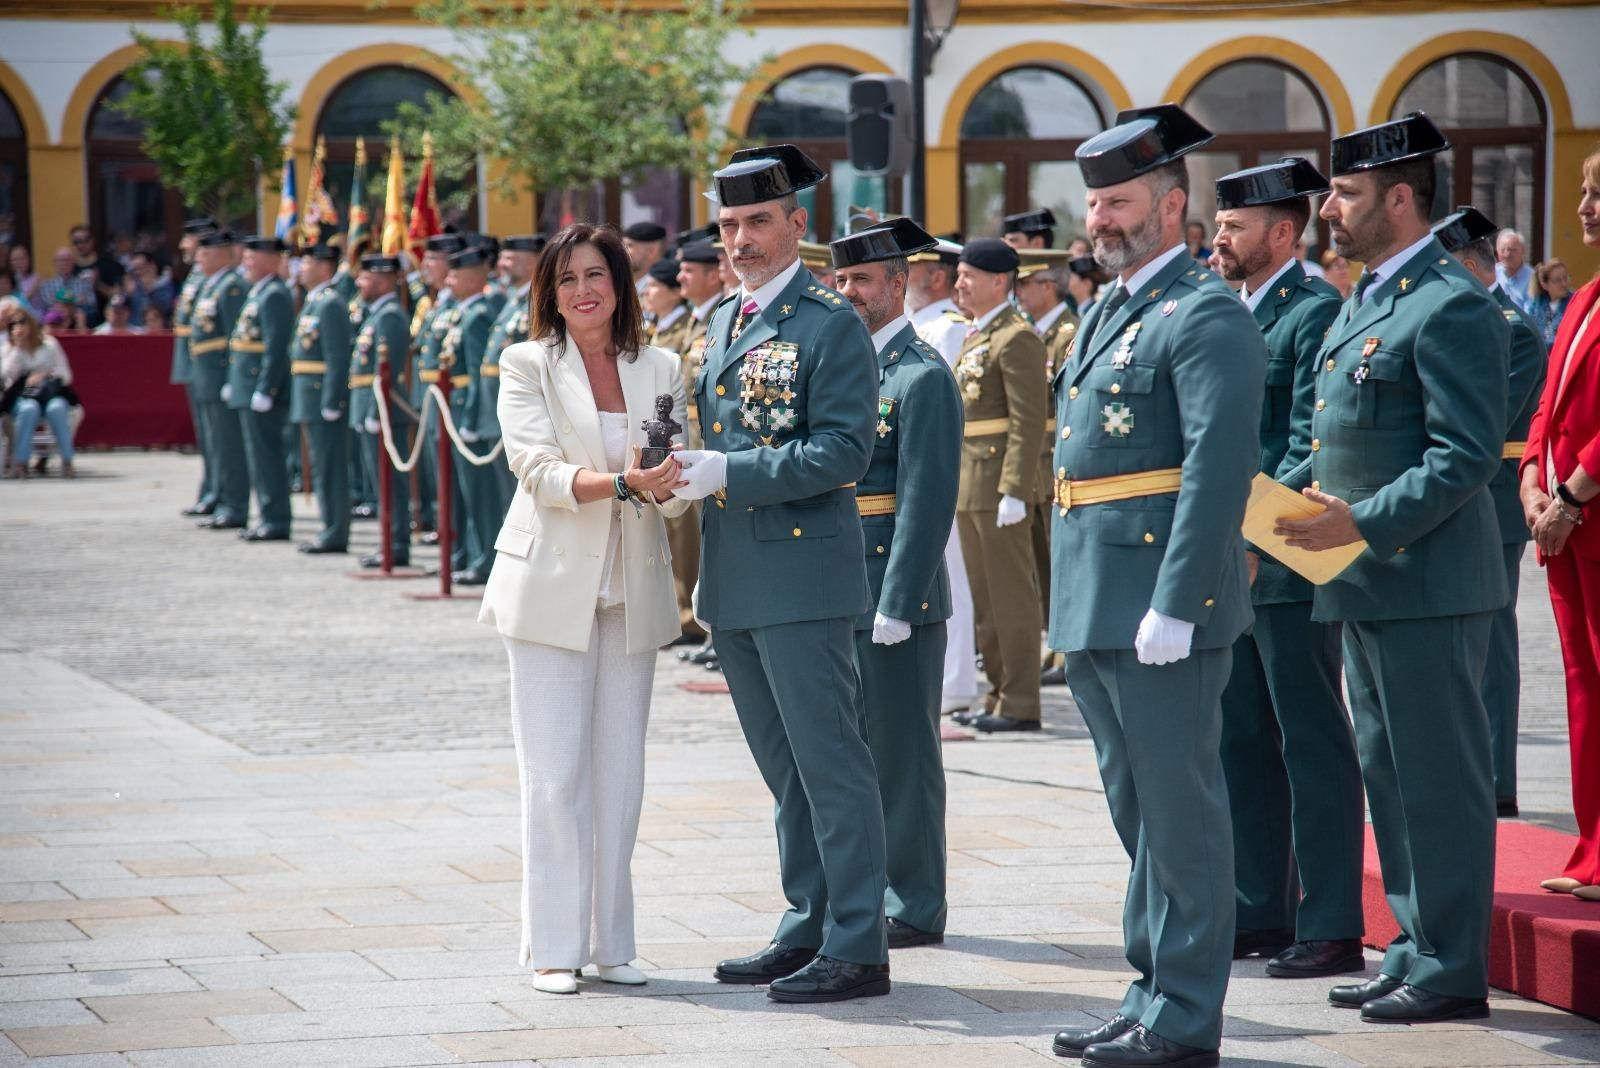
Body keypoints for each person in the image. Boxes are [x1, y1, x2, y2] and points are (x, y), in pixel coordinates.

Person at [1277, 111, 1510, 1023]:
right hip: (1364, 579)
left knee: (1438, 781)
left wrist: (1359, 525)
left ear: (1401, 198)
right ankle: (1414, 945)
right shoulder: (1366, 298)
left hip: (1425, 581)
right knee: (1391, 776)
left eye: (1345, 193)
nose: (1329, 208)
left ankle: (1452, 967)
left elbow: (1464, 456)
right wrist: (1275, 510)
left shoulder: (1450, 303)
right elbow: (1338, 442)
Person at [1046, 104, 1263, 1068]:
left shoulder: (1205, 312)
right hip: (1099, 598)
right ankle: (1150, 990)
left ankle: (1184, 1014)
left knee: (1182, 815)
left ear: (1172, 206)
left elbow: (1218, 468)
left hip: (1159, 605)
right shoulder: (1110, 308)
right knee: (1139, 816)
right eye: (1094, 203)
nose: (1100, 219)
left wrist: (1179, 600)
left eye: (1120, 202)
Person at [671, 144, 891, 1003]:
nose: (740, 239)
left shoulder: (830, 322)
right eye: (729, 224)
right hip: (736, 576)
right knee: (784, 771)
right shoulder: (725, 317)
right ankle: (807, 923)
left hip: (803, 577)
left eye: (758, 221)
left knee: (830, 764)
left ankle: (858, 943)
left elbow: (844, 451)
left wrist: (729, 471)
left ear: (799, 225)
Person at [477, 223, 688, 994]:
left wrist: (671, 482)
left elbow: (675, 491)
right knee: (554, 773)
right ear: (550, 294)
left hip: (632, 588)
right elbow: (535, 471)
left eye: (595, 274)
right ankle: (553, 949)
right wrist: (626, 483)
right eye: (566, 280)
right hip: (551, 587)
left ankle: (611, 944)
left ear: (619, 283)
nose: (582, 290)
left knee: (620, 776)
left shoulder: (662, 366)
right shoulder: (527, 362)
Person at [1209, 157, 1366, 977]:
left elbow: (1312, 442)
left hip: (1286, 555)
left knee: (1309, 736)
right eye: (1219, 224)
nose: (1219, 238)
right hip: (1225, 558)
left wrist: (1248, 534)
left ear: (1282, 232)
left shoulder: (1313, 312)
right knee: (1239, 737)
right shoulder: (1225, 310)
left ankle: (1331, 921)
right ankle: (1258, 909)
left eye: (1234, 226)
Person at [830, 217, 963, 950]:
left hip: (893, 591)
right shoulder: (847, 367)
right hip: (837, 582)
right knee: (853, 749)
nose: (849, 291)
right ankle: (868, 888)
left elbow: (926, 498)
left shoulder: (922, 374)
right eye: (841, 279)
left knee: (904, 756)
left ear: (899, 283)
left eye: (863, 279)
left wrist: (901, 598)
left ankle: (915, 901)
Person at [1434, 205, 1548, 819]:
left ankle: (1499, 777)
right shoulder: (1456, 320)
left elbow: (1488, 419)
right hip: (1455, 493)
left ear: (1472, 267)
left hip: (1495, 498)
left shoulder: (1513, 329)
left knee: (1494, 637)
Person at [1519, 143, 1600, 901]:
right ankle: (1592, 850)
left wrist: (1573, 498)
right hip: (1565, 525)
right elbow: (1549, 400)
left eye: (1597, 194)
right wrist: (1531, 477)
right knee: (1583, 687)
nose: (1584, 207)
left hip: (1587, 518)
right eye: (1583, 191)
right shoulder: (1583, 299)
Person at [950, 238, 1048, 733]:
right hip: (971, 482)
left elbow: (1028, 422)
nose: (960, 284)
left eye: (969, 276)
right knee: (986, 600)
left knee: (1011, 598)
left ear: (998, 281)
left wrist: (1015, 488)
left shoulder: (1016, 337)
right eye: (960, 275)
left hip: (998, 485)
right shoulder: (980, 334)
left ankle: (1021, 700)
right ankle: (998, 694)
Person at [905, 238, 977, 714]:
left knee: (951, 573)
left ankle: (956, 681)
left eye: (913, 268)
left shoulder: (948, 328)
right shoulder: (919, 324)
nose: (903, 275)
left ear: (936, 276)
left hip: (941, 461)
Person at [1016, 248, 1078, 686]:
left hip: (1055, 458)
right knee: (1040, 561)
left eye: (1025, 284)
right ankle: (1052, 642)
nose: (1018, 291)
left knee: (1059, 558)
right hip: (1035, 461)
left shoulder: (1067, 332)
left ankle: (1065, 650)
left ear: (1049, 286)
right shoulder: (1035, 330)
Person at [665, 239, 723, 655]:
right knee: (686, 532)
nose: (681, 277)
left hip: (709, 436)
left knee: (707, 532)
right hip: (687, 432)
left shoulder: (720, 316)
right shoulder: (694, 321)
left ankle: (710, 626)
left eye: (689, 270)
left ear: (712, 275)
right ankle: (693, 617)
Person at [441, 243, 504, 585]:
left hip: (474, 415)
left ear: (473, 277)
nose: (448, 280)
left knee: (482, 498)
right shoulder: (464, 312)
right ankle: (472, 555)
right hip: (458, 411)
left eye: (456, 273)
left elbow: (480, 373)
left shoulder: (479, 314)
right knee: (468, 495)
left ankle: (483, 560)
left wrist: (470, 419)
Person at [474, 234, 543, 539]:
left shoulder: (537, 302)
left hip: (521, 411)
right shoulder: (513, 301)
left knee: (519, 497)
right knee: (504, 496)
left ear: (533, 262)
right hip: (498, 409)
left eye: (510, 258)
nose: (501, 264)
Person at [229, 236, 295, 542]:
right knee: (258, 456)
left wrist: (266, 389)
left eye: (251, 258)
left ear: (269, 260)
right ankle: (267, 515)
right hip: (248, 385)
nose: (246, 264)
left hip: (262, 388)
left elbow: (276, 347)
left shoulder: (275, 294)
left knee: (268, 457)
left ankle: (276, 518)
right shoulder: (261, 292)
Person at [348, 255, 413, 568]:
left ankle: (396, 544)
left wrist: (377, 412)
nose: (359, 283)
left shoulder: (389, 316)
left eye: (365, 277)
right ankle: (387, 541)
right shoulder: (377, 314)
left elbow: (386, 370)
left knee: (390, 484)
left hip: (383, 411)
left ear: (384, 280)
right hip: (369, 407)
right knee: (379, 483)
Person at [290, 243, 353, 554]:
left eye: (307, 263)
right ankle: (329, 526)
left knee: (330, 468)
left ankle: (335, 530)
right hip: (309, 397)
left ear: (325, 268)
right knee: (320, 466)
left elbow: (337, 357)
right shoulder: (315, 301)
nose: (300, 269)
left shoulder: (329, 303)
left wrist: (331, 400)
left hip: (320, 397)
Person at [189, 230, 251, 531]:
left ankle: (234, 505)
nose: (199, 258)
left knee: (229, 447)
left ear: (223, 255)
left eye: (206, 253)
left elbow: (233, 338)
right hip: (207, 376)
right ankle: (223, 500)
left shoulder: (231, 287)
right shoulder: (211, 285)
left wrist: (229, 378)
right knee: (217, 445)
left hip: (220, 376)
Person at [3, 307, 77, 478]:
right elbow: (6, 377)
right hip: (22, 396)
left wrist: (45, 375)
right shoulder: (8, 349)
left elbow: (66, 375)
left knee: (57, 408)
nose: (19, 327)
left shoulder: (49, 345)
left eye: (22, 322)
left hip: (49, 393)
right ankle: (21, 462)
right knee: (29, 409)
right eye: (13, 324)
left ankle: (67, 460)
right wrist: (18, 349)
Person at [70, 224, 123, 326]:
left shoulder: (108, 265)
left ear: (92, 241)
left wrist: (97, 284)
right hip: (77, 326)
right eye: (76, 242)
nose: (81, 245)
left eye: (85, 240)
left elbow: (118, 294)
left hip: (104, 324)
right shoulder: (71, 269)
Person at [643, 260, 692, 351]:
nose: (645, 292)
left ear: (675, 293)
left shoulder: (687, 329)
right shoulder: (653, 324)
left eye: (653, 285)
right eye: (647, 285)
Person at [1531, 258, 1574, 346]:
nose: (1564, 284)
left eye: (1566, 278)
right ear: (1545, 284)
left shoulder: (1574, 302)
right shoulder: (1537, 304)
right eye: (1557, 280)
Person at [1496, 228, 1536, 315]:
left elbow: (1529, 313)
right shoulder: (1492, 273)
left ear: (1523, 251)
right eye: (1502, 250)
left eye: (1512, 250)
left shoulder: (1532, 278)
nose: (1507, 254)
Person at [622, 221, 667, 297]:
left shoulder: (663, 289)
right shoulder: (626, 286)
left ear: (651, 251)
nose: (622, 251)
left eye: (629, 245)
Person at [9, 245, 41, 312]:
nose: (19, 262)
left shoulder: (36, 277)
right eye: (15, 259)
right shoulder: (10, 281)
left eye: (21, 258)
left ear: (28, 259)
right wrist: (33, 290)